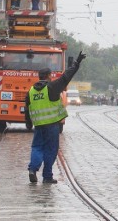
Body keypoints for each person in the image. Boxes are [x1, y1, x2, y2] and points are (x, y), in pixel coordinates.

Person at [25, 51, 86, 184]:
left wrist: (28, 124)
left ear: (38, 76)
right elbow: (66, 77)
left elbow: (27, 108)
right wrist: (76, 63)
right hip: (52, 125)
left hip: (39, 125)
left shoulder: (31, 91)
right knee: (50, 149)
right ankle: (47, 177)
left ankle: (32, 169)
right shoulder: (52, 87)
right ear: (48, 76)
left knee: (37, 147)